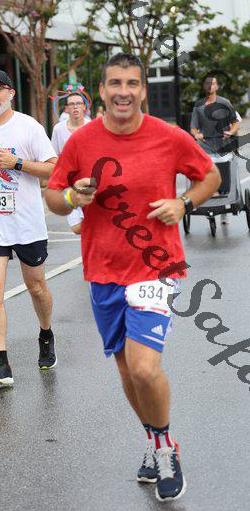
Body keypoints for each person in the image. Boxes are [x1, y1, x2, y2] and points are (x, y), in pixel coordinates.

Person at [45, 53, 220, 502]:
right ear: (101, 91)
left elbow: (211, 175)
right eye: (115, 83)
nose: (123, 91)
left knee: (144, 367)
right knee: (126, 369)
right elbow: (55, 198)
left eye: (132, 83)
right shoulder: (81, 141)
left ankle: (164, 448)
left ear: (143, 90)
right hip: (103, 269)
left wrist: (183, 204)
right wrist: (73, 196)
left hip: (156, 266)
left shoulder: (169, 136)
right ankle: (153, 436)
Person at [0, 69, 58, 386]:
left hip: (27, 223)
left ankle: (46, 333)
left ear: (11, 93)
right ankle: (1, 365)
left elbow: (54, 169)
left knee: (36, 288)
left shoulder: (29, 127)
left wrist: (17, 163)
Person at [191, 75, 240, 224]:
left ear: (217, 86)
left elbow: (235, 122)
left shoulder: (225, 103)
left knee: (225, 175)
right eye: (207, 84)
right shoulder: (198, 106)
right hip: (206, 148)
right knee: (207, 175)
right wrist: (197, 134)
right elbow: (193, 128)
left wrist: (231, 132)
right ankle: (211, 203)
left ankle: (223, 208)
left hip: (223, 147)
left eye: (213, 84)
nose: (210, 86)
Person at [51, 91, 91, 235]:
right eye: (71, 104)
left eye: (78, 103)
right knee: (76, 228)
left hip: (90, 182)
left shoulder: (92, 126)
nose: (75, 107)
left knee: (93, 219)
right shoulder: (58, 129)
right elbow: (54, 155)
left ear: (84, 107)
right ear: (67, 108)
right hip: (69, 184)